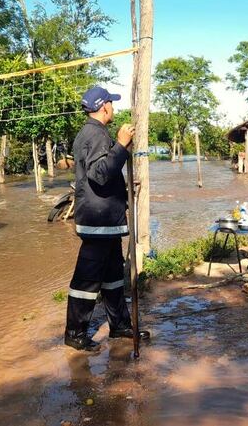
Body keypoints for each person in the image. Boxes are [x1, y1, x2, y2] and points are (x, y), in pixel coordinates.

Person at [64, 86, 149, 351]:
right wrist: (122, 144)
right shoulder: (95, 134)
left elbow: (102, 173)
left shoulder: (91, 132)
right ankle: (75, 333)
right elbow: (99, 174)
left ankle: (119, 325)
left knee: (113, 275)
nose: (113, 107)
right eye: (111, 103)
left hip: (105, 220)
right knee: (86, 280)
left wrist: (122, 181)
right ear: (104, 107)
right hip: (97, 220)